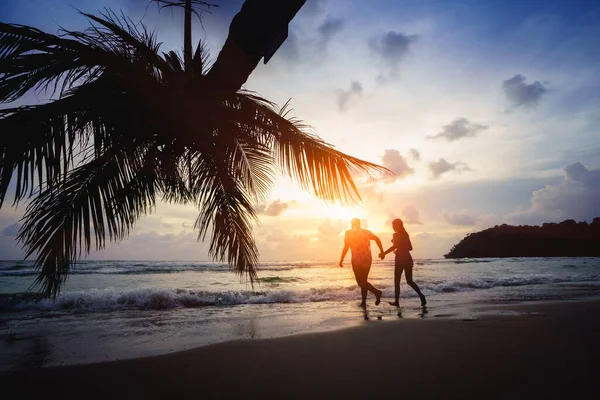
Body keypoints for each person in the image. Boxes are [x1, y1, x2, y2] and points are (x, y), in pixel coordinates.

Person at [380, 218, 427, 307]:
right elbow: (410, 248)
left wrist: (384, 253)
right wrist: (400, 246)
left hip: (400, 260)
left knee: (397, 282)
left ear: (397, 226)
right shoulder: (406, 235)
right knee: (409, 281)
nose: (393, 227)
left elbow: (395, 246)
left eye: (393, 226)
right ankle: (421, 295)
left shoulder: (395, 235)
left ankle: (397, 301)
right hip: (408, 259)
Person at [339, 218, 384, 307]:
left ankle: (377, 292)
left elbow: (346, 247)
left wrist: (341, 260)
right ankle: (363, 302)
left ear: (352, 224)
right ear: (359, 224)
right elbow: (377, 239)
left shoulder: (349, 233)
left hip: (356, 260)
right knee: (364, 281)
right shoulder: (366, 232)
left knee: (361, 282)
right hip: (367, 259)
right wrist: (381, 251)